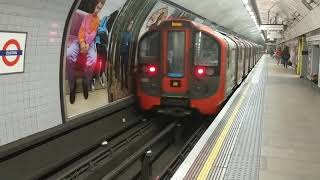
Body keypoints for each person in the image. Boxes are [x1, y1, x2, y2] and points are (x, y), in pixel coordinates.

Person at [66, 0, 106, 104]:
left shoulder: (98, 20)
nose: (97, 10)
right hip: (79, 40)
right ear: (93, 6)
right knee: (69, 54)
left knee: (93, 59)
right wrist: (82, 42)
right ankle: (72, 86)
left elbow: (93, 34)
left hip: (90, 43)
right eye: (97, 7)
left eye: (100, 8)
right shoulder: (86, 17)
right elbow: (81, 30)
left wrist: (87, 44)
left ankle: (85, 82)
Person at [92, 10, 119, 91]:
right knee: (97, 61)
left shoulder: (110, 25)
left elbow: (107, 34)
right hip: (98, 43)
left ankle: (100, 75)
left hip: (103, 45)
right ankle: (93, 79)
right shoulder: (104, 18)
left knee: (104, 62)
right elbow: (98, 29)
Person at [119, 21, 133, 89]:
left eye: (131, 25)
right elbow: (120, 43)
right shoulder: (123, 34)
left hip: (127, 54)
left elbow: (131, 45)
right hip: (122, 53)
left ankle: (126, 84)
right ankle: (122, 84)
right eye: (129, 24)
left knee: (126, 70)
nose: (129, 26)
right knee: (122, 69)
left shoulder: (131, 34)